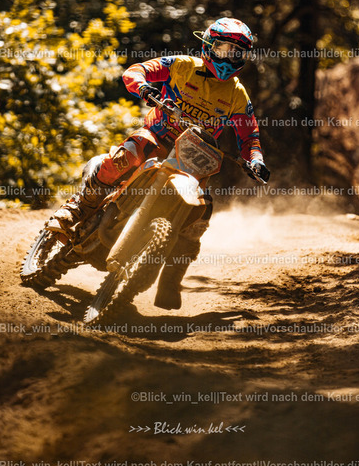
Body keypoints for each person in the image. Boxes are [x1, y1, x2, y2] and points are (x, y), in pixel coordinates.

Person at [49, 17, 269, 309]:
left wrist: (256, 159)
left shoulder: (237, 94)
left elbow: (249, 135)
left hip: (194, 157)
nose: (229, 57)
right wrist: (143, 87)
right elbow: (135, 70)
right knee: (127, 156)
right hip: (156, 137)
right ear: (208, 45)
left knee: (201, 214)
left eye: (237, 53)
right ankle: (75, 209)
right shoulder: (181, 65)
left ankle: (170, 282)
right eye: (223, 49)